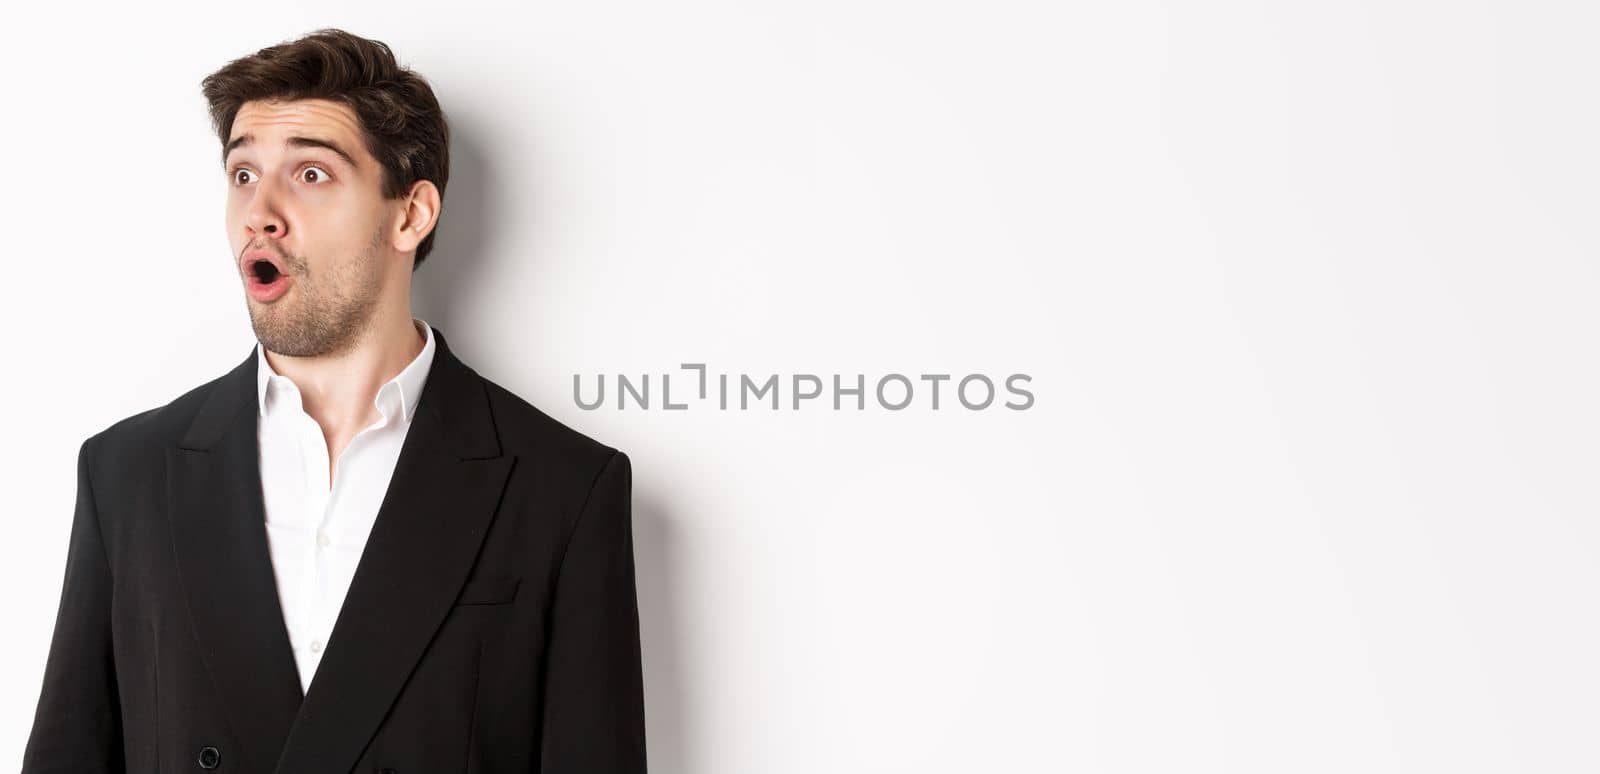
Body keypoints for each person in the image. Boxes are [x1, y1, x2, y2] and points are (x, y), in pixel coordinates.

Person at [21, 28, 647, 773]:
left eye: (311, 174)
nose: (261, 212)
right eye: (244, 174)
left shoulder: (563, 490)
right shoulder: (126, 473)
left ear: (410, 215)